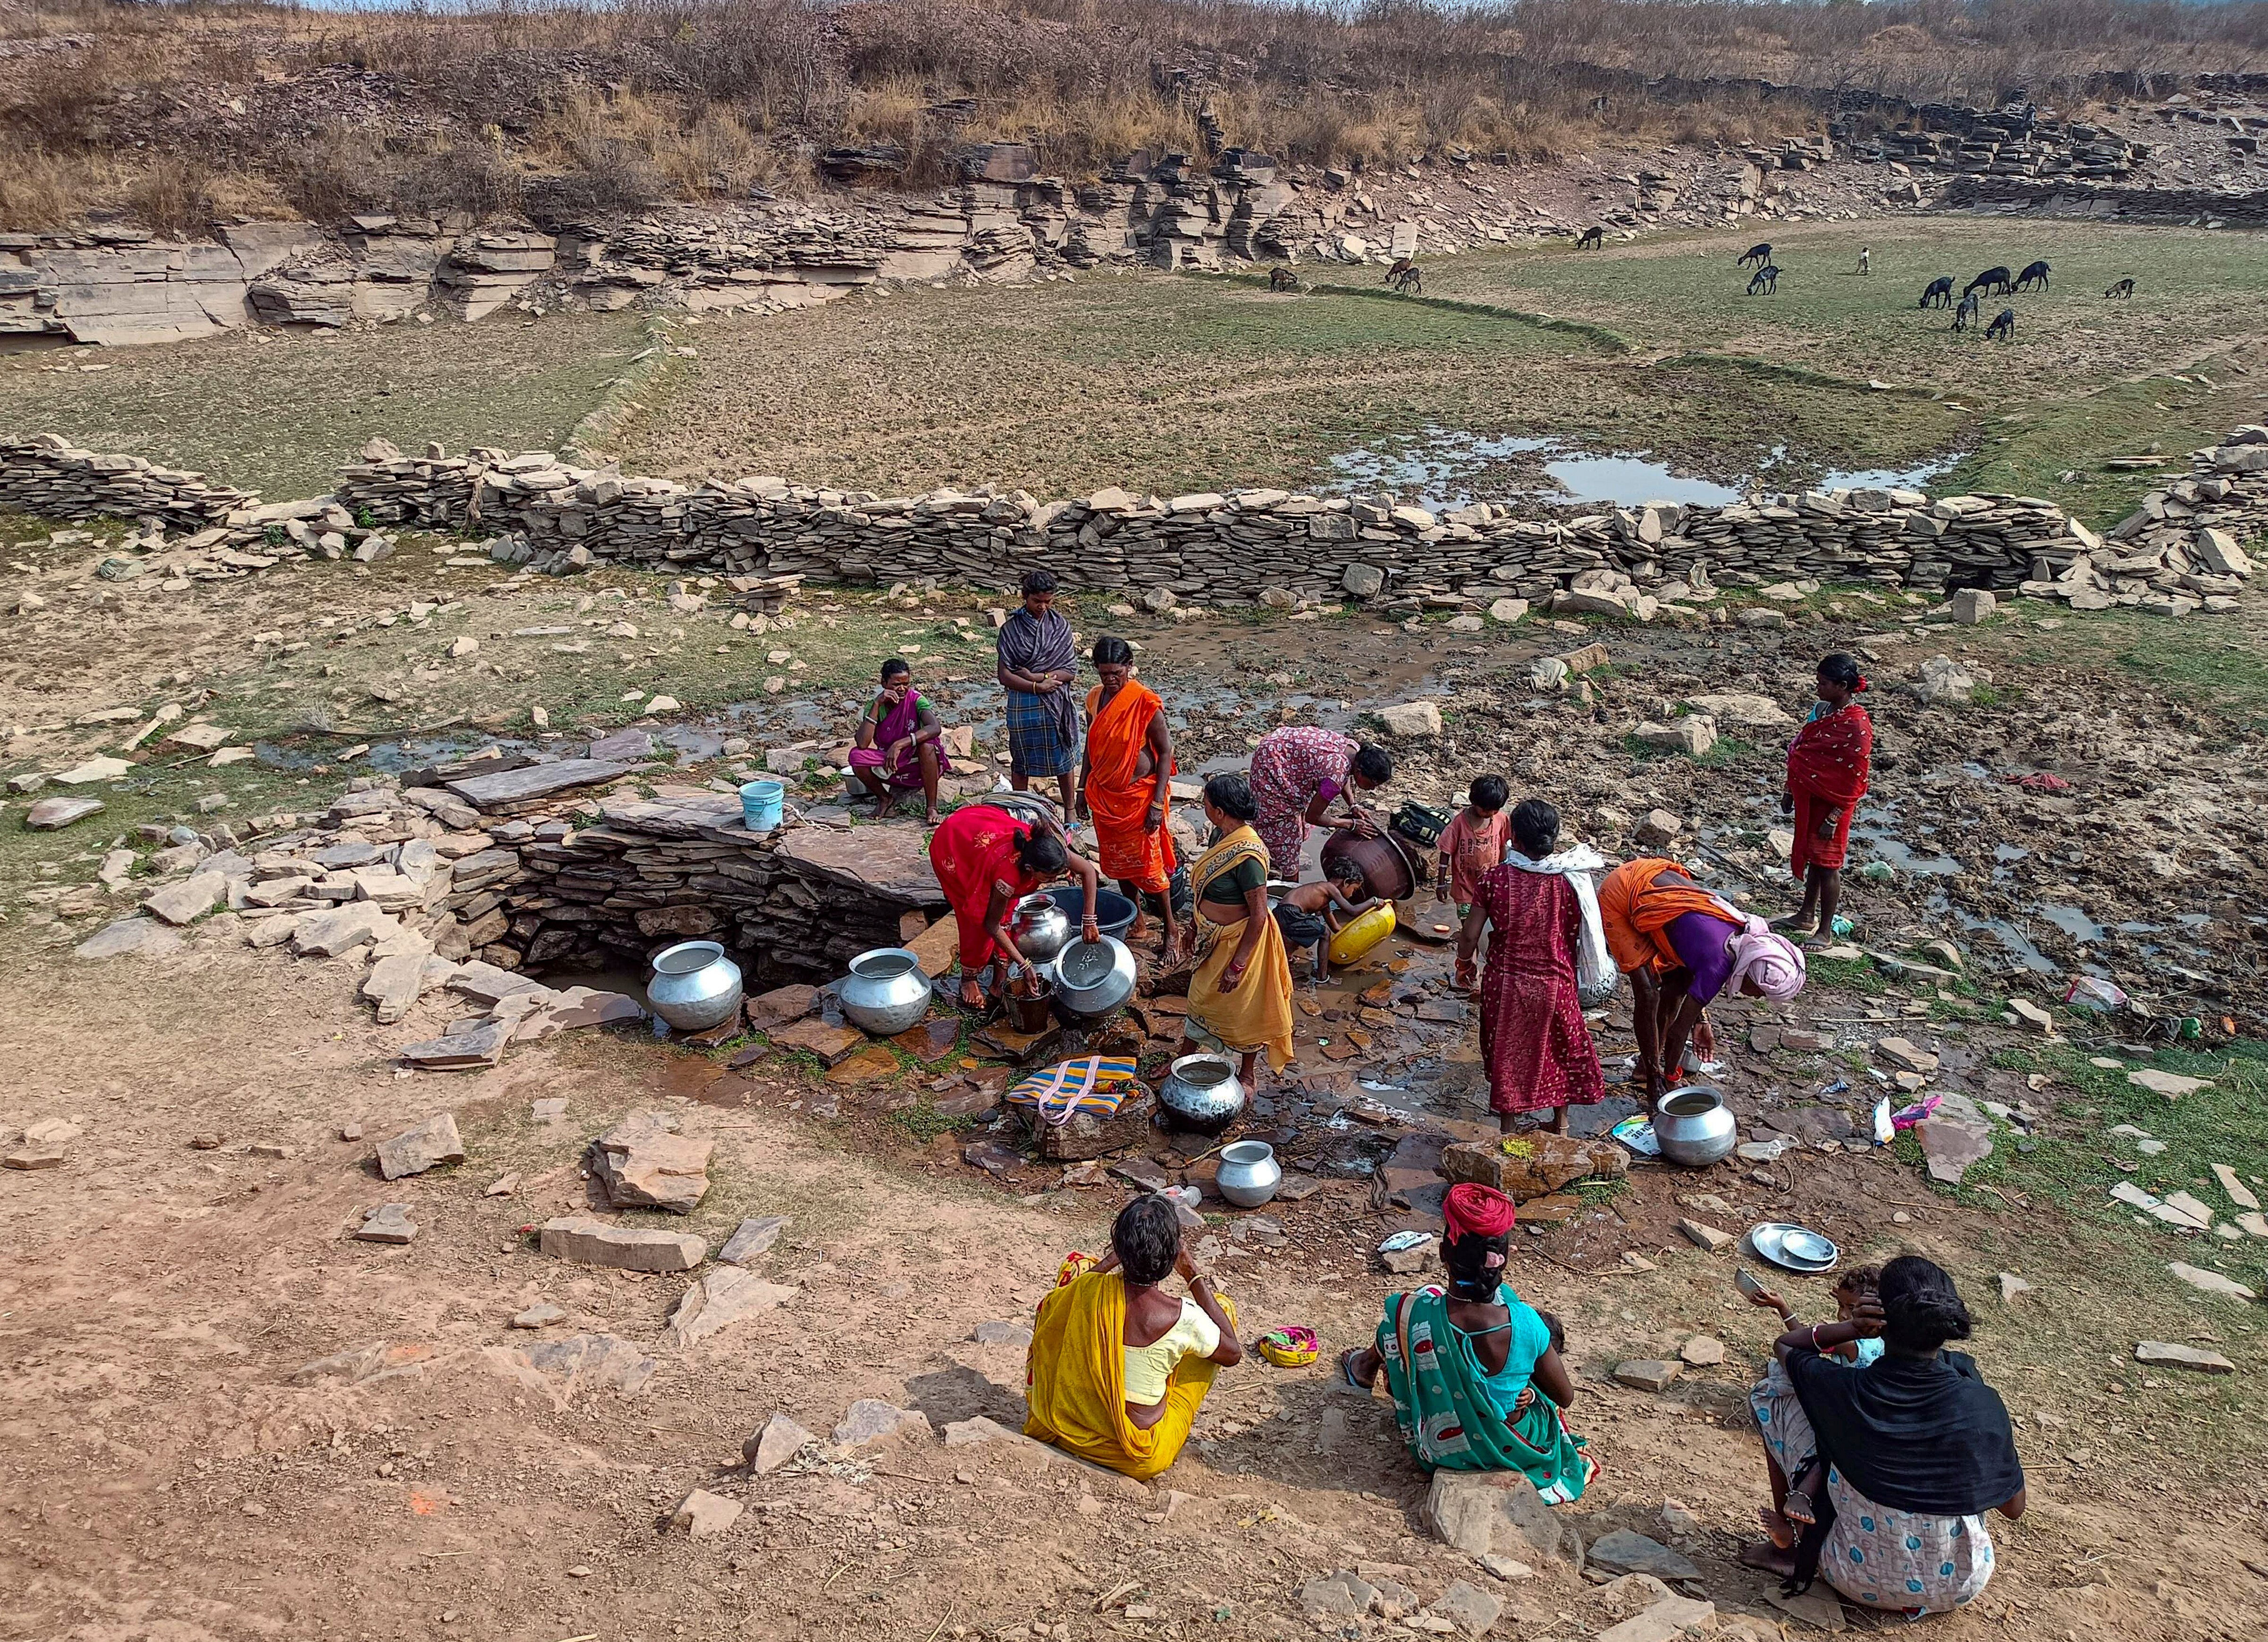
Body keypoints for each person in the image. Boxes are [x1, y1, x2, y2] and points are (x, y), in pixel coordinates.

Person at [1740, 1257, 2025, 1617]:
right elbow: (2013, 1509)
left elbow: (1787, 1347)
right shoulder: (1981, 1402)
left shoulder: (1845, 1390)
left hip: (1854, 1576)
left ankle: (1791, 1549)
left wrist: (1854, 1329)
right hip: (1961, 1584)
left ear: (1878, 1317)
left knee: (1773, 1394)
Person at [1338, 1184, 1594, 1498]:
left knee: (1407, 1314)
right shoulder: (1527, 1322)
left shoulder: (1411, 1313)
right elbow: (1564, 1397)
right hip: (1515, 1446)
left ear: (1445, 1254)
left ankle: (1365, 1366)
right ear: (1502, 1259)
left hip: (1443, 1448)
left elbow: (1415, 1316)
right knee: (1516, 1324)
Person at [1023, 1194, 1241, 1480]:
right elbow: (1233, 1353)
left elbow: (1056, 1303)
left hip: (1066, 1430)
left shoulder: (1089, 1292)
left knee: (1076, 1268)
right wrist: (1192, 1274)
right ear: (1172, 1256)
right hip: (1136, 1456)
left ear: (1120, 1247)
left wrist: (1115, 1257)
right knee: (1221, 1314)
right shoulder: (1185, 1317)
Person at [1598, 856, 1806, 1109]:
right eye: (1761, 992)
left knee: (1678, 984)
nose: (1758, 998)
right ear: (1749, 972)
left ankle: (1645, 1065)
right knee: (1648, 994)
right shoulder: (1719, 965)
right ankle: (1652, 1077)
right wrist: (1671, 1078)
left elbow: (1695, 974)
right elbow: (1678, 1034)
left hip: (1654, 881)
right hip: (1623, 891)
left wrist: (1702, 1021)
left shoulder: (1742, 935)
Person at [1459, 799, 1606, 1135]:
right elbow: (1584, 936)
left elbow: (1470, 936)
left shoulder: (1495, 881)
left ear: (1516, 839)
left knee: (1508, 1053)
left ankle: (1509, 1129)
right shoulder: (1571, 882)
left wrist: (1464, 965)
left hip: (1507, 985)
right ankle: (1561, 1123)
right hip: (1557, 984)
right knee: (1561, 1047)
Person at [1744, 1265, 1883, 1548]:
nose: (1844, 1315)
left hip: (1852, 1420)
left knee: (1825, 1449)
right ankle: (1792, 1528)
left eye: (1852, 1308)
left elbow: (1800, 1346)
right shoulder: (1882, 1340)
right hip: (1863, 1414)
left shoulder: (1851, 1341)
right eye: (1841, 1306)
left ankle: (1799, 1501)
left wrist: (1783, 1309)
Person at [926, 801, 1100, 1010]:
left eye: (1059, 874)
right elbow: (992, 925)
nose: (1055, 880)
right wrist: (1024, 965)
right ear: (1029, 869)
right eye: (1049, 877)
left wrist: (1089, 921)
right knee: (975, 917)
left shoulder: (1050, 850)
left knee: (1006, 910)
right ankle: (969, 979)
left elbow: (1089, 871)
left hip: (982, 826)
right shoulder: (1008, 876)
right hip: (956, 844)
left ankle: (999, 981)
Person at [1181, 772, 1296, 1085]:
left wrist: (1238, 965)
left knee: (1245, 1008)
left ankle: (1247, 1075)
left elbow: (1259, 915)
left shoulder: (1249, 857)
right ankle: (1184, 1059)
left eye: (1205, 804)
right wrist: (1193, 926)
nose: (1203, 807)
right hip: (1212, 938)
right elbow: (1204, 890)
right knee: (1199, 999)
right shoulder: (1221, 837)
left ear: (1219, 811)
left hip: (1240, 942)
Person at [1076, 636, 1186, 962]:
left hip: (1139, 799)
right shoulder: (1095, 700)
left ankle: (1170, 928)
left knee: (1151, 868)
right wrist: (1081, 790)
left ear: (1129, 667)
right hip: (1106, 796)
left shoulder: (1144, 702)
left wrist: (1156, 804)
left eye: (1116, 673)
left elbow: (1165, 752)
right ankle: (1135, 917)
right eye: (1104, 673)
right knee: (1119, 865)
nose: (1111, 679)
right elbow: (1090, 747)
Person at [1778, 653, 1874, 947]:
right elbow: (1802, 750)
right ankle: (1806, 915)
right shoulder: (1822, 711)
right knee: (1814, 858)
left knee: (1829, 864)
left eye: (1823, 683)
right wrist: (1789, 789)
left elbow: (1855, 777)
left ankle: (1826, 931)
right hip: (1811, 795)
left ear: (1843, 686)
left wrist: (1834, 817)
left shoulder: (1856, 725)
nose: (1817, 687)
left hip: (1836, 803)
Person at [1246, 725, 1393, 878]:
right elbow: (1313, 817)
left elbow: (1345, 774)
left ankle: (1276, 858)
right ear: (1360, 772)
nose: (1373, 789)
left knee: (1293, 832)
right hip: (1272, 762)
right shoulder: (1334, 780)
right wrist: (1350, 825)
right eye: (1373, 784)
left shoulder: (1355, 750)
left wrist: (1353, 805)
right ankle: (1289, 881)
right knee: (1281, 823)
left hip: (1283, 747)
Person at [996, 569, 1082, 821]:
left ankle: (1070, 811)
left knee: (1063, 756)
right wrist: (1034, 688)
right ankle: (1021, 809)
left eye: (1048, 601)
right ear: (1025, 597)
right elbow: (1005, 675)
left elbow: (1070, 671)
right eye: (1037, 601)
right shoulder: (1011, 630)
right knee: (1021, 758)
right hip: (1023, 704)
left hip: (1055, 700)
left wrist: (1039, 678)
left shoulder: (1060, 626)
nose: (1043, 607)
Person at [848, 657, 951, 821]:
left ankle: (931, 807)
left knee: (928, 746)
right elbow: (862, 743)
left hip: (917, 762)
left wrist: (900, 744)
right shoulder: (875, 706)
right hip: (891, 763)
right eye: (896, 685)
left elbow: (935, 728)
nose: (902, 689)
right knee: (856, 756)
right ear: (884, 683)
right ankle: (884, 798)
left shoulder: (916, 700)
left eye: (906, 684)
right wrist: (876, 705)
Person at [1271, 856, 1374, 982]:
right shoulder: (1330, 888)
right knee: (1323, 933)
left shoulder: (1324, 899)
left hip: (1283, 912)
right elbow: (1352, 911)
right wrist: (1373, 901)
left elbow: (1336, 928)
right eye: (1354, 890)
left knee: (1312, 927)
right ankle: (1322, 977)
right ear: (1346, 882)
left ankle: (1286, 957)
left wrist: (1354, 941)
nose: (1353, 894)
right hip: (1290, 913)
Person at [1435, 774, 1511, 920]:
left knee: (1489, 925)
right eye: (1486, 810)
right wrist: (1441, 884)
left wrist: (1505, 876)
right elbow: (1445, 853)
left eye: (1495, 810)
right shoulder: (1459, 824)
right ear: (1474, 801)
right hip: (1466, 890)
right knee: (1468, 928)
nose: (1491, 814)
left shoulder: (1501, 820)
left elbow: (1503, 847)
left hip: (1491, 887)